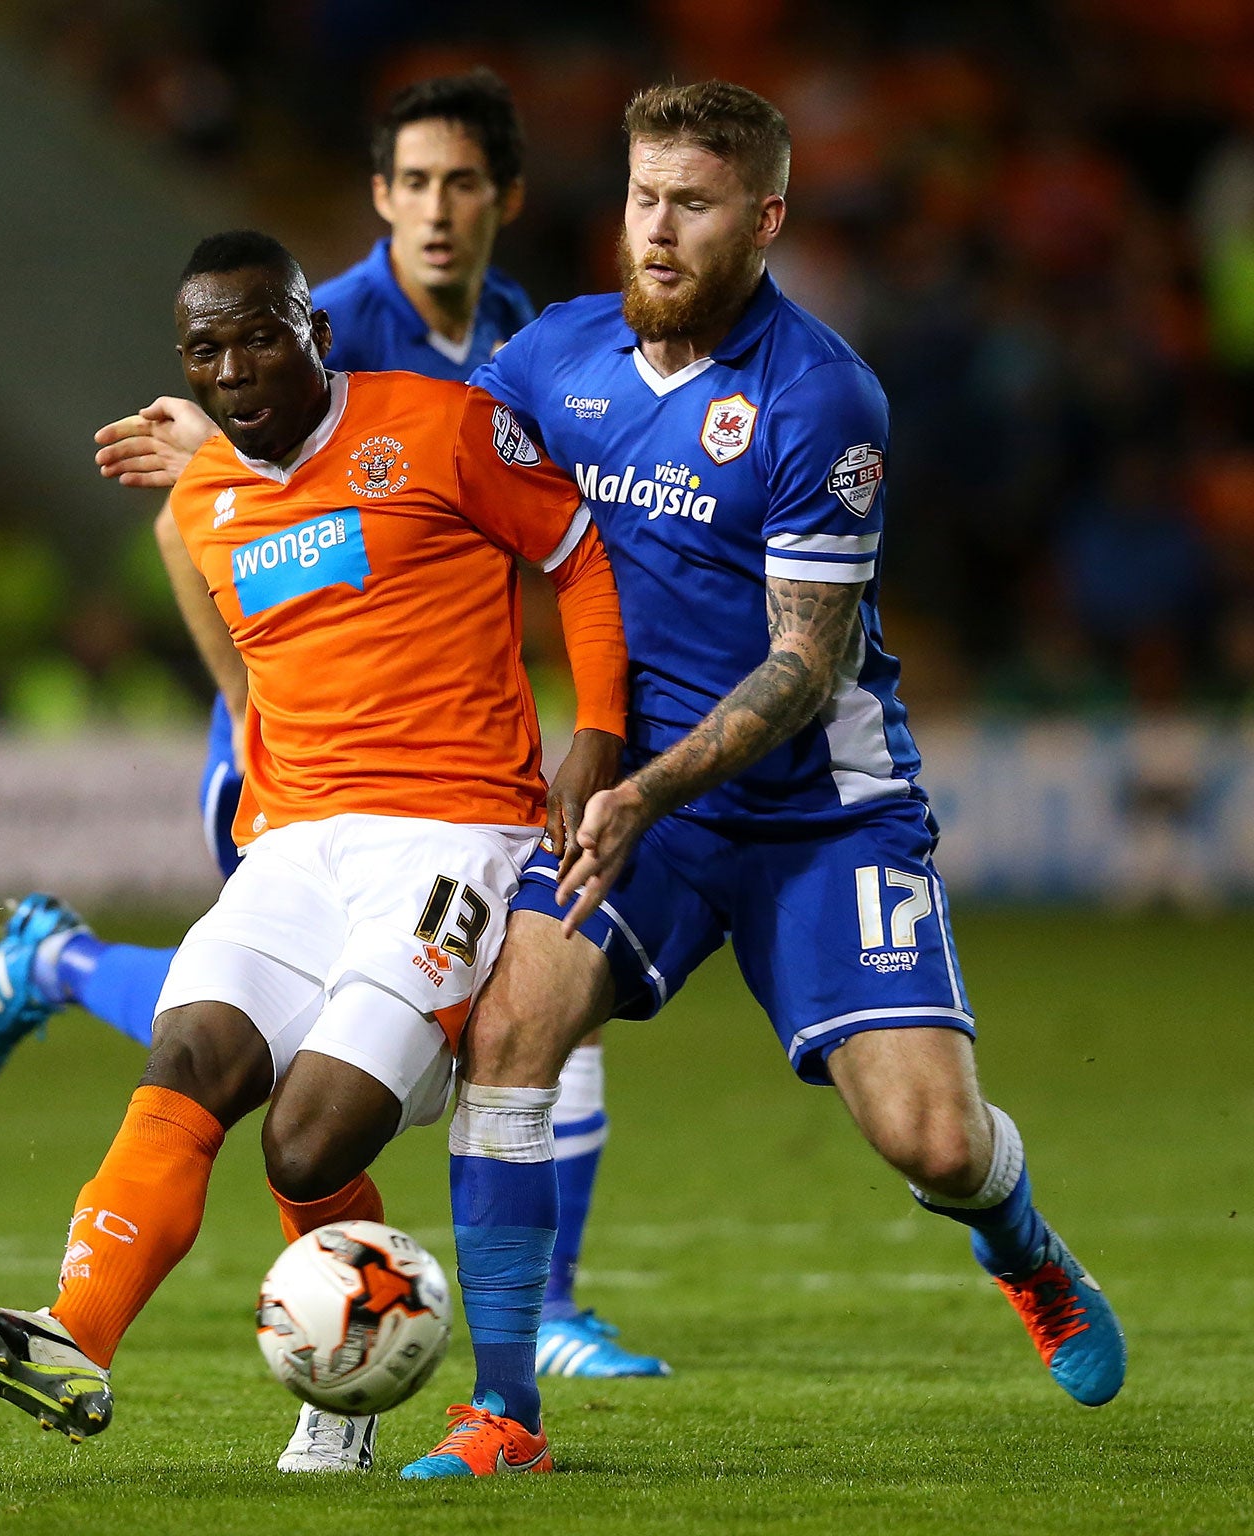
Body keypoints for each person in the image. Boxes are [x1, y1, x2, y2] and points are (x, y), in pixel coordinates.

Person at [393, 79, 1127, 1477]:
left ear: (768, 217)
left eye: (694, 204)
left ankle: (1021, 1247)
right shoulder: (552, 360)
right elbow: (429, 495)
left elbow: (804, 667)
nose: (657, 233)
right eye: (641, 198)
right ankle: (504, 1412)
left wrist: (646, 784)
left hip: (816, 813)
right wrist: (248, 457)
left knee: (930, 1141)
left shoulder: (823, 395)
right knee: (507, 1037)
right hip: (643, 807)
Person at [0, 68, 669, 1387]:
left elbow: (581, 554)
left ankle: (414, 1351)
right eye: (206, 356)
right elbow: (260, 619)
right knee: (189, 1055)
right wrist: (242, 731)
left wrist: (599, 733)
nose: (235, 373)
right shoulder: (215, 491)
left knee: (307, 1140)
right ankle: (73, 1340)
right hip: (298, 837)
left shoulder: (446, 425)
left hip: (453, 837)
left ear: (316, 331)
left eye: (258, 342)